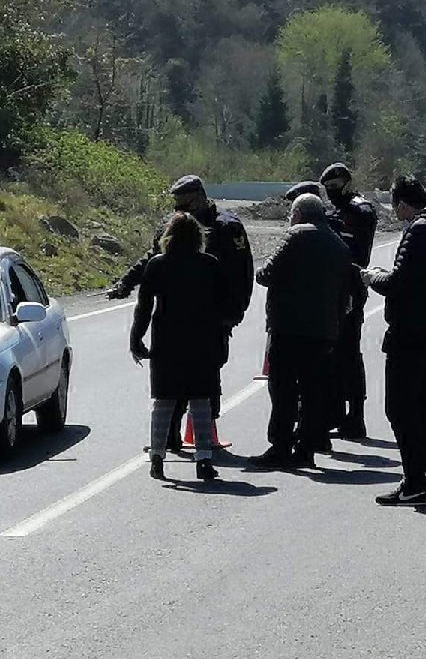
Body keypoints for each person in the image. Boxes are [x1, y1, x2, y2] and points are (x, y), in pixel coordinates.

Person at [110, 175, 253, 447]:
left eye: (184, 203)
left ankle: (204, 439)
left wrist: (233, 313)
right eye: (176, 204)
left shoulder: (227, 227)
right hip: (172, 323)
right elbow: (152, 261)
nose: (180, 210)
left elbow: (241, 274)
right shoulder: (172, 225)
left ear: (199, 196)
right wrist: (126, 282)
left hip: (211, 320)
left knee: (207, 378)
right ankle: (171, 437)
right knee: (171, 381)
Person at [363, 176, 426, 506]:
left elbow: (398, 281)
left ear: (403, 203)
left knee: (400, 408)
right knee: (424, 407)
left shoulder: (419, 230)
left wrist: (371, 275)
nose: (395, 212)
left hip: (410, 332)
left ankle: (415, 480)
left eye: (395, 205)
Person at [250, 194, 354, 470]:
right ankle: (306, 448)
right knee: (313, 391)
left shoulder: (295, 236)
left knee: (283, 388)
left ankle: (281, 445)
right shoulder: (339, 245)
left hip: (289, 327)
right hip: (323, 331)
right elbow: (346, 293)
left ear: (297, 215)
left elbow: (266, 275)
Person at [129, 212, 228, 483]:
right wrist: (220, 342)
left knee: (164, 401)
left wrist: (136, 338)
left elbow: (145, 307)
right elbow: (221, 308)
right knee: (200, 401)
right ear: (198, 238)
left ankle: (158, 458)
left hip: (167, 342)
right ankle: (204, 458)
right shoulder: (210, 265)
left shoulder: (158, 265)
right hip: (202, 342)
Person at [320, 163, 378, 439]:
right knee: (330, 354)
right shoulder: (331, 211)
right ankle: (334, 413)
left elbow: (359, 253)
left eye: (334, 188)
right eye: (327, 190)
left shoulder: (361, 210)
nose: (331, 195)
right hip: (330, 288)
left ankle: (356, 415)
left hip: (352, 286)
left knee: (349, 354)